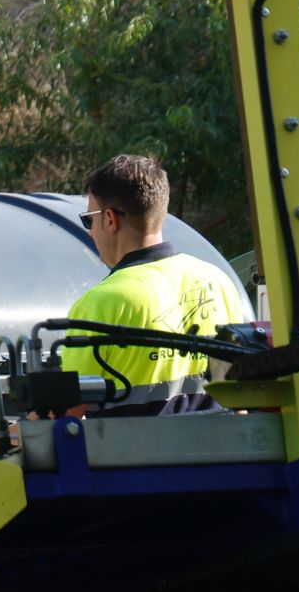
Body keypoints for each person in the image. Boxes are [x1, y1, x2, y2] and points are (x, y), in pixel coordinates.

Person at [62, 154, 252, 416]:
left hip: (131, 456)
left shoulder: (100, 302)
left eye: (89, 219)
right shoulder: (218, 281)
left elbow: (62, 415)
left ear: (109, 220)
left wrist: (5, 436)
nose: (90, 232)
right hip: (224, 454)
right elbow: (239, 396)